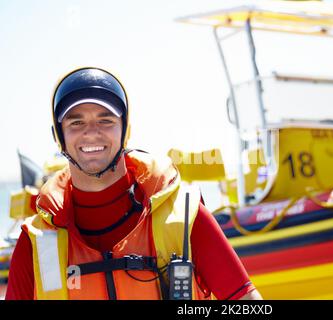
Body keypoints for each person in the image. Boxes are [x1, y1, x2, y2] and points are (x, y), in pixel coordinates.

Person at [6, 67, 262, 300]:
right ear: (58, 136)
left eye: (106, 120)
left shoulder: (183, 218)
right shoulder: (35, 243)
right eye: (76, 122)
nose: (92, 131)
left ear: (125, 130)